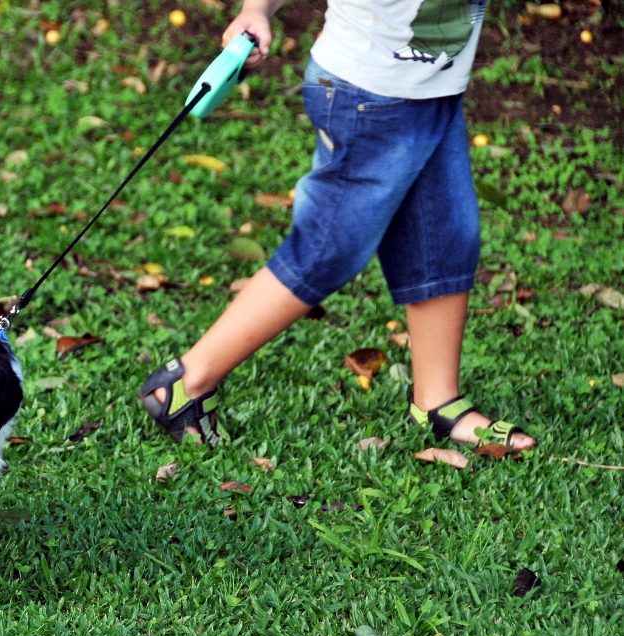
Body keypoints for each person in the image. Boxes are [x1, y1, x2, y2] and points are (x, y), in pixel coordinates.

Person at [139, 0, 534, 452]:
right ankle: (186, 381)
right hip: (368, 96)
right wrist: (257, 9)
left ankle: (437, 401)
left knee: (445, 236)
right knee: (329, 247)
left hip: (432, 91)